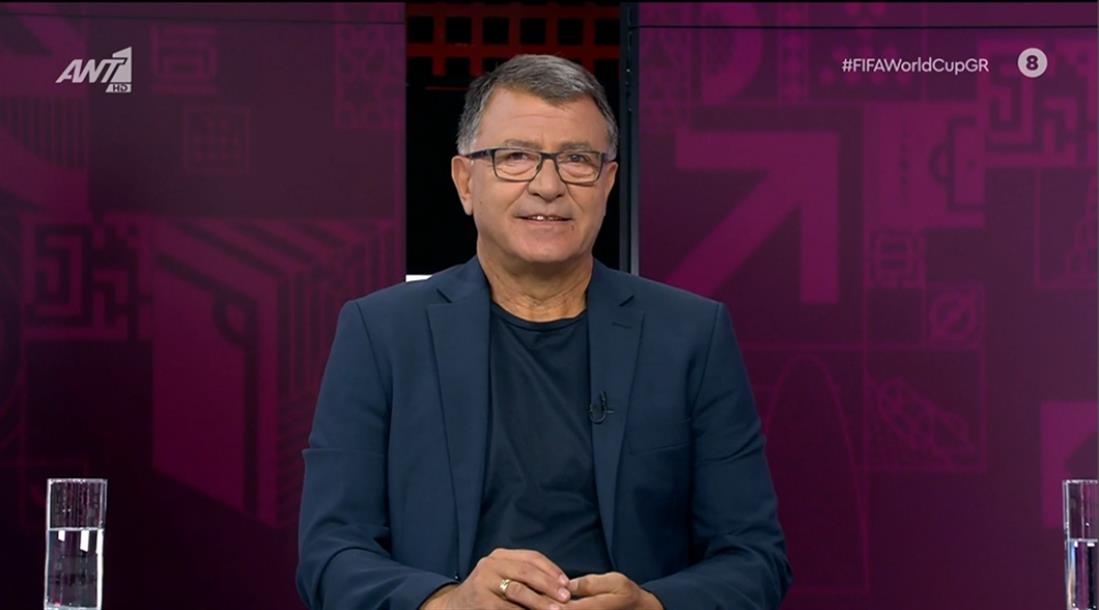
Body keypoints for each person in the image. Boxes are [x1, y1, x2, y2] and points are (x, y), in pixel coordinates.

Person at [296, 54, 791, 610]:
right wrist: (447, 603)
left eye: (577, 159)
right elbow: (330, 553)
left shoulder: (692, 335)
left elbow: (755, 559)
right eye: (516, 157)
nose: (548, 185)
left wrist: (651, 606)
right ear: (465, 182)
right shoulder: (380, 333)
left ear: (607, 183)